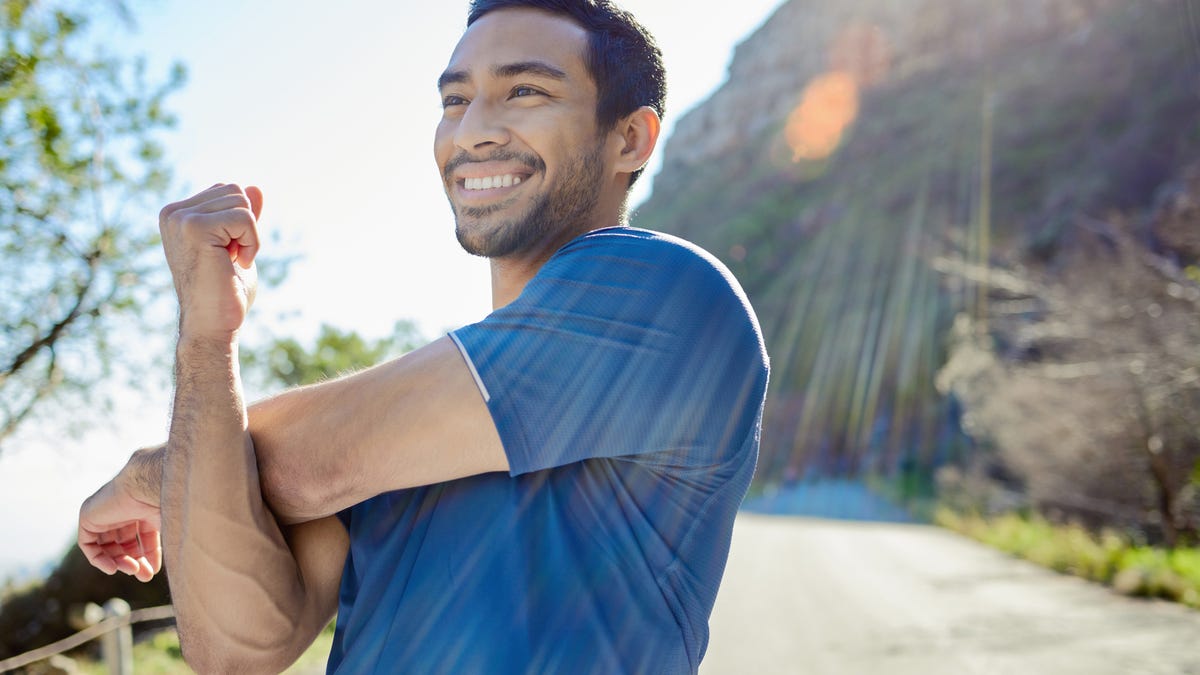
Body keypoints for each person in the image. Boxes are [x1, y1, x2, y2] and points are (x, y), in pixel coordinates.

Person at [77, 0, 768, 672]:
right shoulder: (404, 424)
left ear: (630, 138)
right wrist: (206, 335)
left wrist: (150, 473)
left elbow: (305, 463)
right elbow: (237, 648)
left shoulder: (666, 294)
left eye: (524, 90)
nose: (472, 132)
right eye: (455, 101)